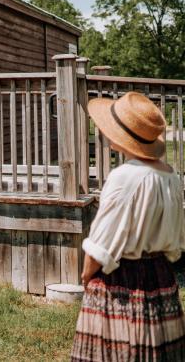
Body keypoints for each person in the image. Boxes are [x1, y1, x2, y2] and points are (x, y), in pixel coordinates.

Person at [71, 91, 185, 361]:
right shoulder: (170, 176)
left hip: (123, 283)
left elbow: (101, 245)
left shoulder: (124, 177)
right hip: (160, 278)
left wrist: (87, 276)